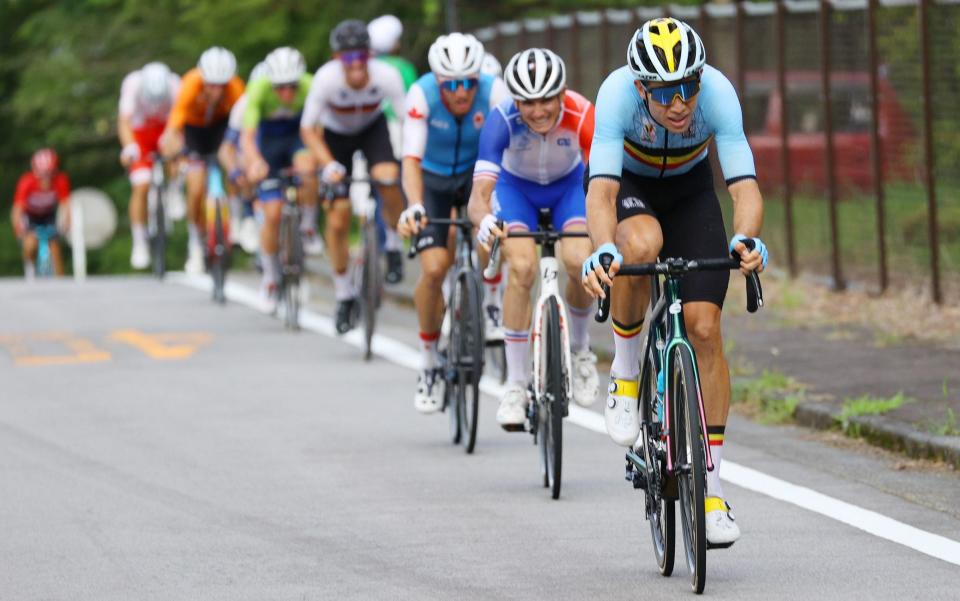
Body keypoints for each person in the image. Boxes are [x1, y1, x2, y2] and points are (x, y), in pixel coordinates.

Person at [579, 18, 769, 547]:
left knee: (705, 328)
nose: (681, 103)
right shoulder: (616, 95)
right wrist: (604, 248)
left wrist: (747, 240)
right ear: (643, 88)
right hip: (632, 187)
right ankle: (624, 370)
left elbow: (744, 186)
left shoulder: (718, 96)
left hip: (691, 192)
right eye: (666, 93)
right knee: (639, 246)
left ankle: (711, 489)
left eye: (689, 86)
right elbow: (600, 194)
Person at [467, 48, 600, 429]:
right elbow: (480, 195)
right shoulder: (501, 119)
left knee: (578, 260)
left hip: (570, 187)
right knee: (522, 268)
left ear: (562, 94)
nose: (538, 110)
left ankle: (579, 349)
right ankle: (515, 383)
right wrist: (485, 221)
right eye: (528, 102)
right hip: (516, 191)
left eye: (546, 100)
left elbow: (604, 181)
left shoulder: (582, 113)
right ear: (516, 100)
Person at [396, 33, 509, 413]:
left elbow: (509, 153)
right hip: (434, 180)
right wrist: (413, 205)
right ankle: (427, 361)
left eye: (468, 83)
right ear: (439, 81)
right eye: (452, 84)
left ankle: (491, 302)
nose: (461, 93)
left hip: (479, 176)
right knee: (433, 268)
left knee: (496, 229)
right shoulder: (421, 95)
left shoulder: (495, 91)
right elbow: (410, 158)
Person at [300, 19, 408, 334]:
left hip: (373, 130)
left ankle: (392, 243)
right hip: (335, 137)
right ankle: (344, 292)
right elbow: (308, 129)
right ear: (337, 59)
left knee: (388, 179)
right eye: (348, 58)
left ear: (370, 55)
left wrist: (409, 157)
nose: (356, 65)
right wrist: (328, 164)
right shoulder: (326, 80)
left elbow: (405, 119)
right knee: (337, 217)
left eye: (362, 56)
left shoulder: (386, 76)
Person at [241, 47, 318, 312]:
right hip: (269, 145)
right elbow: (247, 138)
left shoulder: (310, 86)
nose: (286, 93)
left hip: (297, 137)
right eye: (280, 87)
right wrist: (255, 162)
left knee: (308, 168)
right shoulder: (259, 89)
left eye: (292, 87)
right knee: (272, 214)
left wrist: (316, 161)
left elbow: (318, 129)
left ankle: (308, 227)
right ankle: (271, 277)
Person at [160, 46, 244, 274]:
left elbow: (244, 120)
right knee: (196, 186)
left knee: (234, 163)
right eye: (211, 84)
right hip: (194, 131)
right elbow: (176, 121)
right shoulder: (190, 83)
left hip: (221, 127)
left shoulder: (235, 87)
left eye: (221, 85)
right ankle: (195, 242)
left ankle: (237, 218)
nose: (216, 90)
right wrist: (172, 148)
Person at [118, 62, 181, 269]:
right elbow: (124, 122)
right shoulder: (132, 84)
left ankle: (174, 189)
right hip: (140, 133)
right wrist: (129, 147)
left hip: (165, 129)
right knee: (141, 185)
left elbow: (180, 122)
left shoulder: (174, 85)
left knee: (175, 152)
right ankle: (139, 241)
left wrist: (176, 151)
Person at [219, 61, 268, 255]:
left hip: (276, 150)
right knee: (244, 167)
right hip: (252, 153)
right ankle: (247, 213)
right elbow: (227, 147)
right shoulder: (243, 106)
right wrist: (234, 170)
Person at [11, 149, 71, 278]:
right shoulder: (26, 182)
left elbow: (65, 204)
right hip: (30, 217)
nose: (46, 178)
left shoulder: (60, 181)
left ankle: (60, 280)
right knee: (30, 244)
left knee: (55, 247)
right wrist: (18, 227)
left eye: (50, 173)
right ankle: (30, 269)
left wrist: (67, 222)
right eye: (43, 174)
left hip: (49, 216)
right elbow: (17, 208)